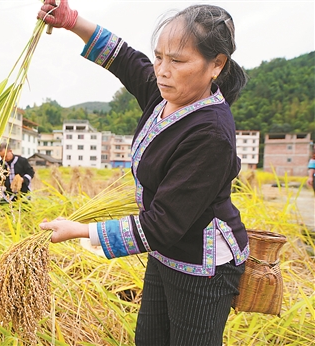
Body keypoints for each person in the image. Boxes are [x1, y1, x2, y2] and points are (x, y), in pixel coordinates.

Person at [38, 2, 249, 345]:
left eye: (177, 60)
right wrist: (71, 21)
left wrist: (81, 231)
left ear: (217, 64)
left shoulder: (209, 133)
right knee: (149, 338)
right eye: (159, 57)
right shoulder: (163, 92)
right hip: (164, 250)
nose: (162, 70)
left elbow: (162, 224)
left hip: (202, 263)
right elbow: (123, 58)